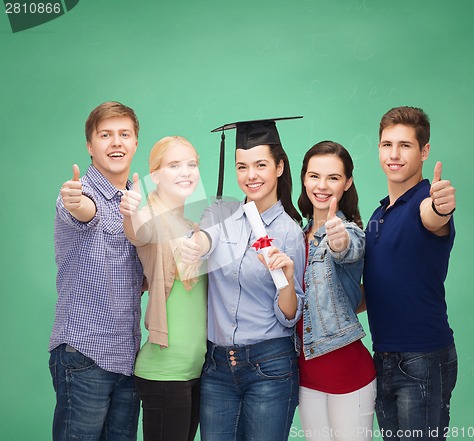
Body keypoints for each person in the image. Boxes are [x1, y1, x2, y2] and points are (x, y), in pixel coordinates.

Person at [181, 118, 306, 441]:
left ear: (279, 167)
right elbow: (204, 242)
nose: (251, 176)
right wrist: (196, 245)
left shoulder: (290, 233)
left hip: (269, 366)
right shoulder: (222, 217)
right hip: (217, 368)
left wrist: (287, 280)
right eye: (242, 167)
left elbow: (290, 316)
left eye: (261, 165)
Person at [48, 101, 143, 441]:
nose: (116, 142)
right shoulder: (78, 192)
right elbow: (84, 211)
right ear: (90, 145)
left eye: (124, 134)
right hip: (85, 354)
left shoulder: (138, 200)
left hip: (128, 358)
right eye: (105, 135)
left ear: (134, 143)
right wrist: (77, 204)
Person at [363, 106, 458, 441]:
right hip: (383, 356)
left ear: (424, 151)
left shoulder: (425, 202)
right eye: (387, 144)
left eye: (405, 145)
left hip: (423, 359)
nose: (394, 154)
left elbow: (434, 216)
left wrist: (441, 206)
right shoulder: (376, 215)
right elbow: (373, 289)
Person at [119, 136, 207, 441]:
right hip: (164, 373)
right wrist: (130, 212)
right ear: (155, 175)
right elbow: (139, 232)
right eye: (174, 165)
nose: (185, 172)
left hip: (196, 371)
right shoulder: (151, 217)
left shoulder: (193, 226)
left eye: (191, 164)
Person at [294, 141, 376, 440]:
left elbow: (348, 250)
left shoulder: (348, 230)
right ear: (304, 178)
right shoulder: (295, 235)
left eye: (333, 178)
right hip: (306, 378)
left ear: (347, 182)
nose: (322, 186)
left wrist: (338, 239)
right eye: (314, 176)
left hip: (348, 374)